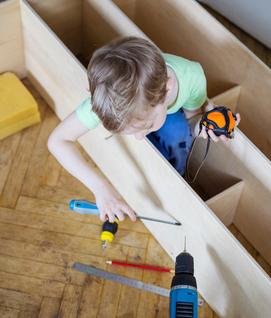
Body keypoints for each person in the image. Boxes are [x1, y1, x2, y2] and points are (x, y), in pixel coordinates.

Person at [48, 36, 240, 223]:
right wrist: (100, 188)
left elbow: (193, 119)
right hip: (155, 108)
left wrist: (204, 126)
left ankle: (175, 175)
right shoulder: (108, 99)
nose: (139, 138)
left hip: (172, 116)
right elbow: (57, 141)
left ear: (168, 88)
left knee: (177, 133)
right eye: (131, 131)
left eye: (146, 126)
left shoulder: (192, 79)